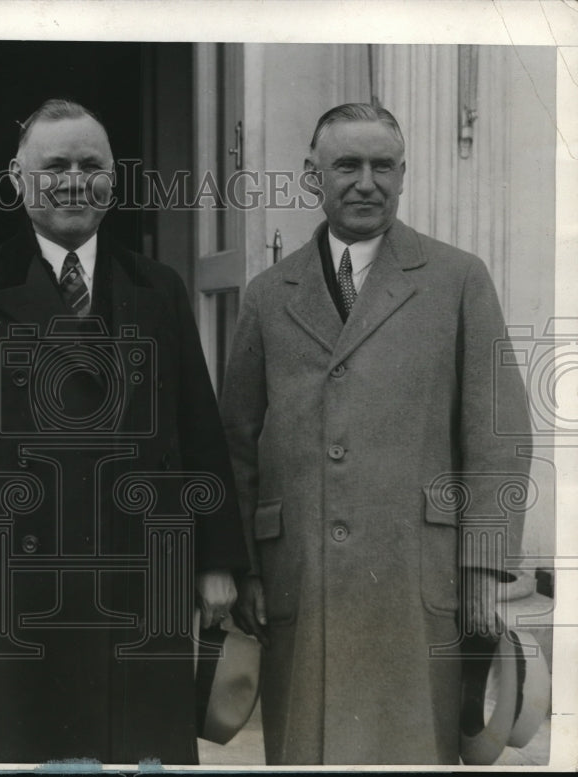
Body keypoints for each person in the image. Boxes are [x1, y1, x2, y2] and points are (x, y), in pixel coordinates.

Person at [0, 98, 247, 764]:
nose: (73, 180)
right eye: (54, 164)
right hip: (6, 592)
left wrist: (215, 560)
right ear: (16, 177)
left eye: (91, 164)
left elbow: (200, 430)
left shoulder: (159, 287)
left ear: (112, 181)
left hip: (140, 588)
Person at [222, 103, 532, 765]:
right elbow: (234, 442)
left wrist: (482, 562)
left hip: (413, 572)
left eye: (382, 166)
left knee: (410, 749)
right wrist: (244, 562)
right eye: (347, 165)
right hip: (297, 574)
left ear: (403, 174)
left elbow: (498, 431)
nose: (366, 181)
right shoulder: (267, 294)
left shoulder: (457, 279)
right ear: (313, 177)